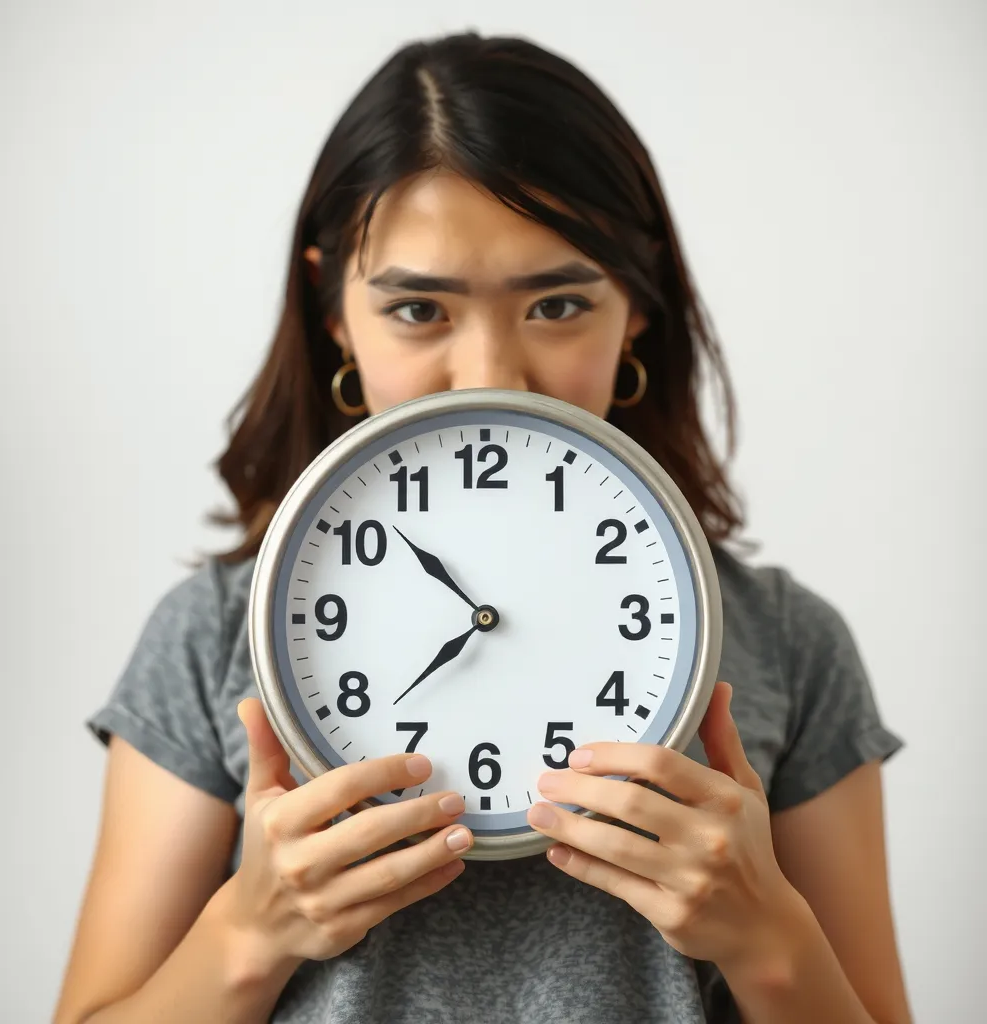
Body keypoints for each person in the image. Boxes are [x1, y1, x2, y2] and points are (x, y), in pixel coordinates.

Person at [53, 31, 912, 1024]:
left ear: (636, 307)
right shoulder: (212, 634)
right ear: (335, 310)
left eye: (556, 303)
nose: (493, 376)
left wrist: (768, 939)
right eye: (420, 309)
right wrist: (248, 934)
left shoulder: (791, 643)